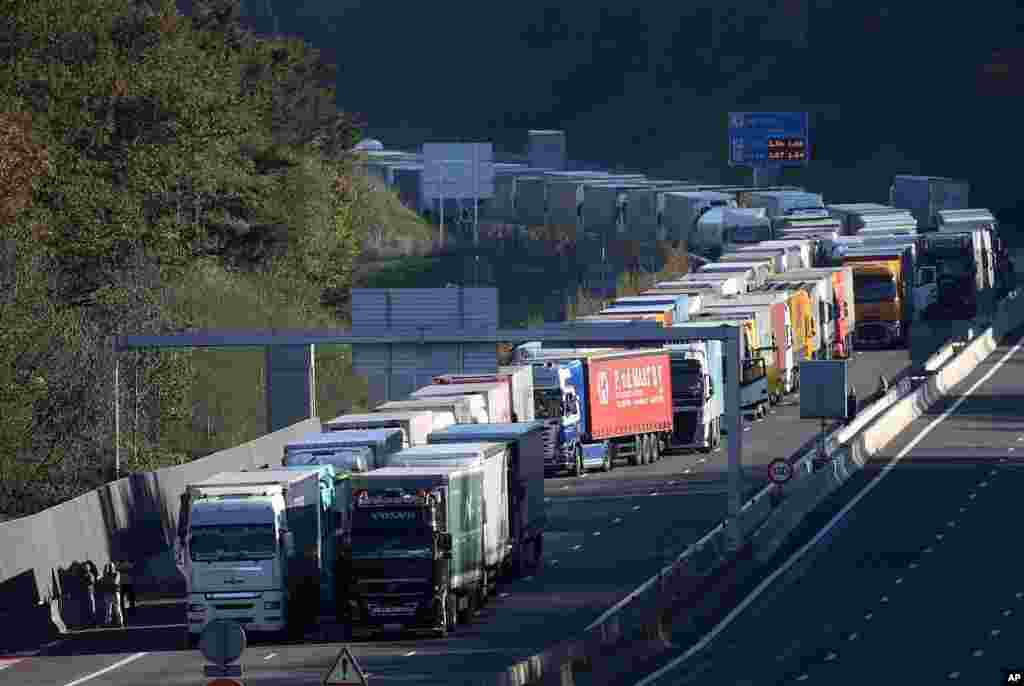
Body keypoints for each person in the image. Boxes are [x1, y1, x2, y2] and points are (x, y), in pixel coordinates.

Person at [100, 561, 124, 628]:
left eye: (111, 567)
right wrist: (105, 573)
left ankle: (120, 622)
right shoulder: (106, 575)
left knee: (117, 609)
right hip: (108, 593)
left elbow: (115, 582)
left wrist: (107, 578)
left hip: (115, 593)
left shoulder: (116, 574)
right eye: (109, 567)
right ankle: (107, 622)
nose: (110, 568)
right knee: (108, 609)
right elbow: (104, 582)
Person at [82, 560, 99, 627]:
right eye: (84, 567)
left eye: (86, 567)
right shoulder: (84, 575)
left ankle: (94, 623)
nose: (85, 568)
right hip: (85, 593)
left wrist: (86, 580)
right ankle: (89, 622)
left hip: (90, 593)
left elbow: (91, 582)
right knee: (88, 609)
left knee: (92, 608)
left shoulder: (90, 574)